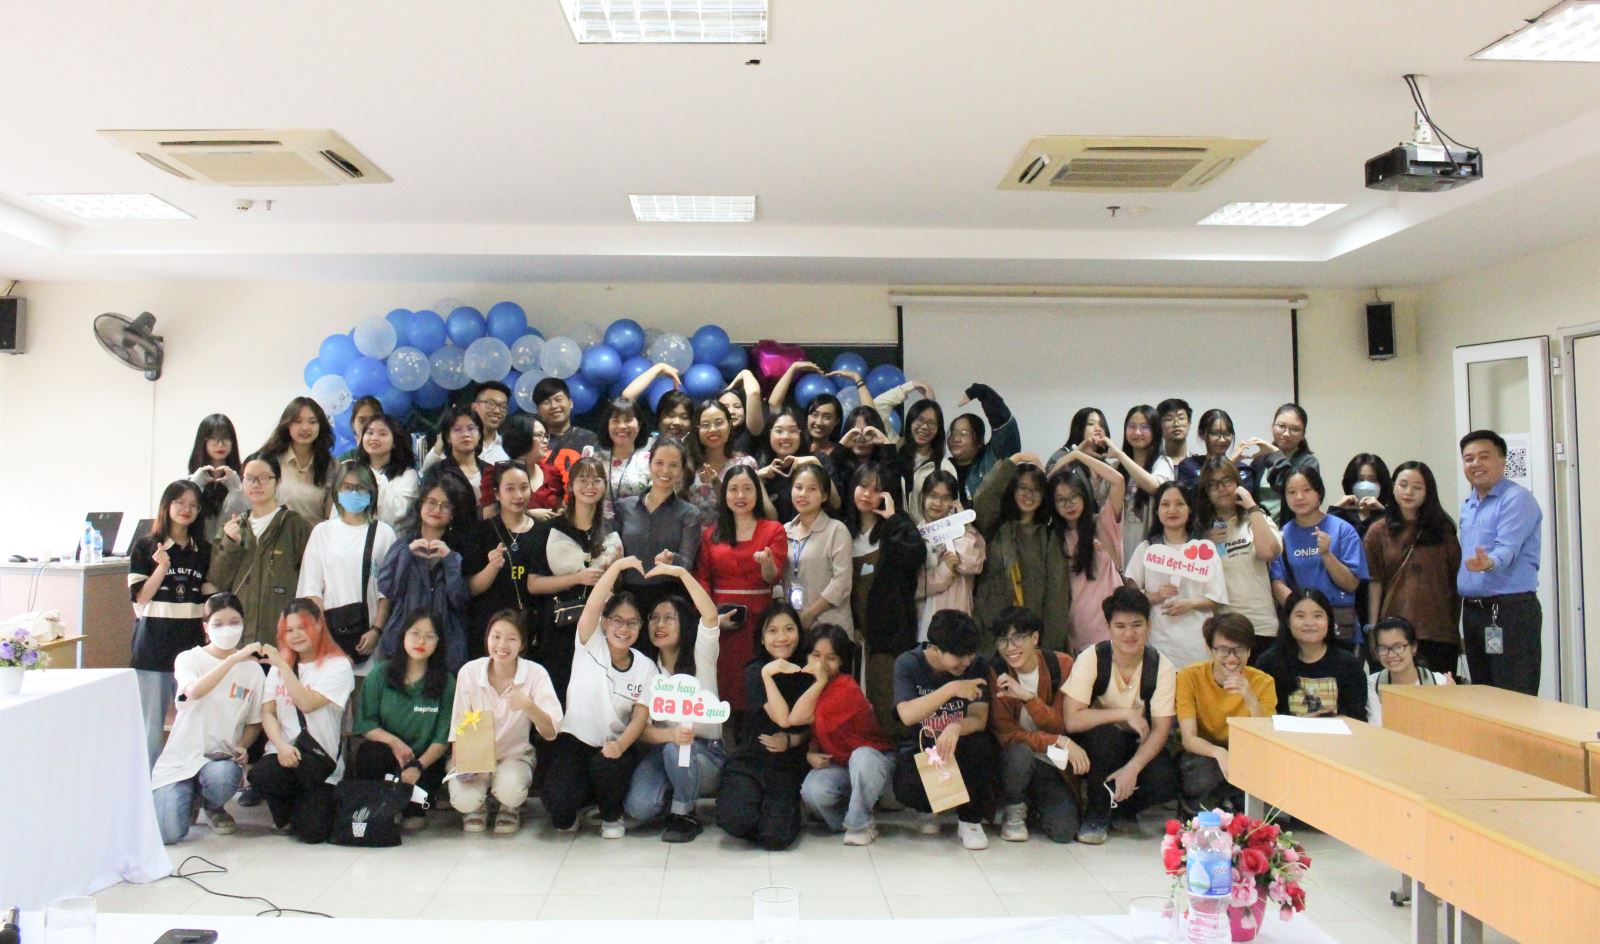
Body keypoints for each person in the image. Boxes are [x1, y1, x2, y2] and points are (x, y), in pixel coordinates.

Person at [546, 557, 656, 838]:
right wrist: (616, 567)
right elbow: (594, 604)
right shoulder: (589, 642)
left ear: (640, 627)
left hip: (614, 745)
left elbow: (640, 717)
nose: (624, 628)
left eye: (632, 623)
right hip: (575, 740)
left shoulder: (646, 667)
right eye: (617, 620)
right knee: (560, 810)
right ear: (605, 623)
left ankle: (611, 814)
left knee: (608, 766)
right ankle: (581, 804)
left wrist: (620, 745)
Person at [1062, 587, 1180, 844]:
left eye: (1137, 625)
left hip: (1138, 741)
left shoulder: (1162, 667)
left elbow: (1161, 729)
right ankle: (1096, 812)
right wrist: (1124, 714)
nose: (1129, 634)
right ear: (1108, 627)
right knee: (1107, 738)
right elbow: (1072, 720)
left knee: (1166, 778)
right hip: (1096, 742)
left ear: (1149, 625)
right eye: (1120, 626)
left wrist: (1133, 768)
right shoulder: (1091, 658)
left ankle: (1123, 809)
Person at [150, 592, 264, 844]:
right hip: (181, 759)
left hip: (219, 758)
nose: (227, 629)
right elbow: (194, 691)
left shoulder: (253, 671)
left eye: (234, 622)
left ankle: (211, 804)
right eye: (218, 624)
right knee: (168, 834)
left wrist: (243, 745)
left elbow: (254, 722)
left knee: (221, 779)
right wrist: (232, 659)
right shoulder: (189, 659)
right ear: (205, 628)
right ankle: (188, 796)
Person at [625, 564, 724, 842]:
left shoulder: (701, 653)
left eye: (669, 618)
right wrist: (670, 735)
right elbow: (641, 728)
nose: (660, 625)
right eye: (654, 618)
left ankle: (684, 814)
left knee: (677, 750)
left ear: (685, 623)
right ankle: (673, 793)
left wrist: (681, 573)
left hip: (706, 752)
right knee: (638, 807)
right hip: (665, 749)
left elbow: (710, 615)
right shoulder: (646, 668)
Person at [891, 609, 1000, 850]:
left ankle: (970, 820)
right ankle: (931, 806)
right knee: (906, 786)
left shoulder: (977, 666)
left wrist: (956, 726)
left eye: (970, 654)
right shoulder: (908, 663)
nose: (966, 662)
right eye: (959, 656)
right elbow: (907, 715)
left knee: (981, 746)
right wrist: (951, 689)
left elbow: (979, 718)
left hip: (960, 745)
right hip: (922, 746)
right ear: (935, 648)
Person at [448, 609, 562, 833]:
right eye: (496, 636)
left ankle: (510, 806)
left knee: (511, 790)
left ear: (522, 644)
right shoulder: (469, 672)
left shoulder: (535, 674)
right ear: (487, 639)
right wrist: (461, 764)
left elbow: (551, 732)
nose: (502, 645)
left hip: (514, 755)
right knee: (464, 800)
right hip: (475, 757)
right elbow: (457, 724)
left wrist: (528, 705)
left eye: (511, 639)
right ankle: (479, 805)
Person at [251, 599, 355, 843]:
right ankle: (284, 816)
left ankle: (304, 807)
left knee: (313, 833)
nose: (296, 635)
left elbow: (306, 703)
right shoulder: (278, 666)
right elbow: (268, 712)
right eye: (289, 630)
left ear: (319, 625)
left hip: (318, 761)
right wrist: (281, 746)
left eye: (303, 627)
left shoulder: (337, 666)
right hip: (284, 754)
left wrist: (283, 667)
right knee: (262, 775)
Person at [716, 604, 814, 850]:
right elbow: (781, 718)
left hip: (788, 764)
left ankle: (781, 812)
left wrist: (791, 741)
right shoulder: (755, 670)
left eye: (789, 629)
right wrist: (768, 674)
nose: (782, 637)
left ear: (799, 632)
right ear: (761, 638)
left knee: (775, 838)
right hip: (751, 759)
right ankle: (761, 809)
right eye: (772, 631)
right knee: (734, 821)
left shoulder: (809, 671)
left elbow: (806, 725)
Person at [986, 606, 1087, 845]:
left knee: (1064, 832)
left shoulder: (1061, 665)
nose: (1010, 648)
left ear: (1035, 638)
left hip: (1051, 760)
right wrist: (1058, 742)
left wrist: (1029, 699)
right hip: (1014, 760)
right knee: (1019, 752)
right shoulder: (996, 673)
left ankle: (1036, 803)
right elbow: (1008, 735)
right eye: (1003, 641)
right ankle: (1014, 807)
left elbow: (1060, 724)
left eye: (1018, 638)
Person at [693, 465, 787, 721]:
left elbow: (774, 576)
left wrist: (767, 563)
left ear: (757, 493)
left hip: (760, 621)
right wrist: (711, 619)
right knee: (722, 686)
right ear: (724, 494)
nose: (740, 495)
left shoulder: (773, 530)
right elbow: (703, 578)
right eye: (733, 489)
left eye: (747, 488)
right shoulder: (711, 534)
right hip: (721, 621)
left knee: (756, 688)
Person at [527, 455, 623, 701]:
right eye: (583, 479)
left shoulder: (612, 528)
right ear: (570, 486)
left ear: (604, 486)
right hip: (560, 625)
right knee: (558, 692)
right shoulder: (550, 529)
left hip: (600, 626)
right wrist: (578, 578)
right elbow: (534, 584)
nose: (590, 486)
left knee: (596, 694)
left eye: (597, 480)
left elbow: (618, 581)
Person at [131, 480, 213, 766]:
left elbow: (208, 597)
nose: (186, 509)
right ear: (167, 505)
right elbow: (141, 597)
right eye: (180, 502)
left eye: (194, 505)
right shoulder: (145, 547)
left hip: (191, 647)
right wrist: (162, 567)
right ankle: (146, 784)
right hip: (152, 647)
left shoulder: (203, 550)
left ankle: (183, 780)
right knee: (150, 727)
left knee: (191, 722)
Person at [353, 610, 457, 829]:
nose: (421, 641)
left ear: (439, 642)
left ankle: (411, 805)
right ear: (403, 636)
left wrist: (417, 766)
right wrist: (394, 743)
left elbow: (442, 740)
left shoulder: (446, 683)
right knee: (370, 754)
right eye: (415, 633)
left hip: (425, 762)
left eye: (430, 636)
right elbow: (367, 725)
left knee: (413, 823)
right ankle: (378, 806)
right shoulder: (379, 675)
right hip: (387, 757)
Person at [1457, 429, 1543, 695]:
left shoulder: (1517, 499)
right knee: (1483, 694)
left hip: (1509, 611)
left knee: (1513, 694)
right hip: (1474, 611)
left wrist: (1489, 563)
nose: (1475, 464)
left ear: (1503, 461)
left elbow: (1508, 548)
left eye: (1484, 456)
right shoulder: (1469, 504)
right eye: (1469, 458)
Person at [845, 462, 925, 735]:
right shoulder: (844, 532)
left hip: (890, 635)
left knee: (889, 703)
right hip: (855, 632)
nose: (868, 494)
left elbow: (914, 556)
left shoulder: (896, 527)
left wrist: (893, 519)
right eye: (863, 486)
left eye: (877, 489)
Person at [798, 624, 895, 845]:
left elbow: (799, 718)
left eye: (831, 658)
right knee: (813, 791)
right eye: (816, 656)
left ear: (841, 661)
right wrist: (810, 753)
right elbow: (815, 732)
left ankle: (859, 824)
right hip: (840, 765)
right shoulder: (812, 685)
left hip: (875, 762)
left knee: (861, 757)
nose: (822, 664)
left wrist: (820, 680)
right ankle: (853, 817)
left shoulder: (846, 688)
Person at [1365, 461, 1462, 675]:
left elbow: (1456, 584)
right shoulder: (1378, 531)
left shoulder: (1443, 531)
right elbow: (1375, 583)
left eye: (1417, 487)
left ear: (1428, 492)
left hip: (1438, 633)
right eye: (1403, 485)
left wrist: (1456, 629)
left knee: (1436, 692)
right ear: (1393, 487)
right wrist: (1372, 629)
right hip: (1393, 633)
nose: (1409, 492)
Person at [297, 461, 396, 669]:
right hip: (328, 638)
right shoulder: (322, 532)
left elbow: (387, 592)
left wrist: (376, 630)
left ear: (371, 492)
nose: (354, 493)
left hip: (370, 639)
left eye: (360, 488)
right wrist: (326, 639)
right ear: (337, 490)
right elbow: (311, 590)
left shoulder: (384, 533)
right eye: (347, 487)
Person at [208, 451, 313, 649]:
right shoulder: (233, 527)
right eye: (249, 478)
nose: (256, 484)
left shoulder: (295, 526)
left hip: (284, 640)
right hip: (239, 641)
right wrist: (230, 544)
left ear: (277, 482)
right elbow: (218, 579)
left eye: (264, 478)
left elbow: (312, 582)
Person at [1174, 613, 1275, 814]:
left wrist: (1250, 699)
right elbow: (1188, 738)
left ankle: (1233, 805)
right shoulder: (1189, 676)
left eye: (1239, 650)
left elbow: (1266, 737)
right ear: (1209, 649)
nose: (1232, 658)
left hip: (1244, 750)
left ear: (1249, 651)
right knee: (1205, 774)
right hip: (1202, 750)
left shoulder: (1263, 682)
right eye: (1223, 650)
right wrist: (1219, 752)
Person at [377, 469, 474, 673]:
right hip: (403, 638)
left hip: (445, 642)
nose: (437, 509)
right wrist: (406, 554)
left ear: (452, 514)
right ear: (420, 505)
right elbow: (388, 588)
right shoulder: (403, 545)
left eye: (445, 506)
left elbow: (460, 600)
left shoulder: (458, 552)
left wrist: (449, 560)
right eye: (431, 502)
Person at [971, 454, 1070, 652]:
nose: (1029, 495)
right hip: (990, 638)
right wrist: (1015, 459)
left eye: (1036, 490)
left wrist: (1048, 650)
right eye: (1023, 488)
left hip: (1031, 640)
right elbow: (983, 498)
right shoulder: (994, 527)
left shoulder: (1049, 537)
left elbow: (1056, 598)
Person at [1124, 482, 1227, 670]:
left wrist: (1190, 603)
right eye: (1165, 504)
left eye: (1179, 504)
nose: (1172, 510)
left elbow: (1217, 598)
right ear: (1157, 511)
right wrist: (1155, 596)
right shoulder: (1146, 548)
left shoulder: (1205, 549)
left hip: (1196, 644)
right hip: (1157, 644)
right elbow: (1130, 597)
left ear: (1190, 509)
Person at [1269, 466, 1368, 647]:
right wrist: (1305, 613)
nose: (1299, 497)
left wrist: (1326, 554)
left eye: (1306, 490)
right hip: (1300, 630)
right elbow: (1277, 584)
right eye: (1291, 492)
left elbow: (1351, 583)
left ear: (1319, 492)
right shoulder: (1281, 536)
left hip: (1339, 627)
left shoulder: (1342, 530)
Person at [1194, 456, 1282, 649]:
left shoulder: (1256, 517)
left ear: (1237, 483)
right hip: (1224, 628)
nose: (1221, 489)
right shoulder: (1201, 531)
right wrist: (1207, 541)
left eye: (1227, 481)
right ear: (1206, 492)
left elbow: (1268, 552)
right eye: (1213, 485)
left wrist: (1252, 507)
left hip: (1261, 625)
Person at [462, 461, 542, 659]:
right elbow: (471, 588)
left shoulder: (543, 531)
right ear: (497, 494)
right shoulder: (481, 532)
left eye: (524, 487)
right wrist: (492, 568)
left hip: (531, 629)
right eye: (510, 489)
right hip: (490, 628)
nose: (518, 495)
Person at [613, 436, 702, 614]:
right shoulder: (623, 507)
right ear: (650, 464)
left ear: (682, 471)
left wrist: (672, 559)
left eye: (673, 465)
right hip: (626, 598)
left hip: (670, 599)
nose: (665, 470)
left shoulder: (690, 513)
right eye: (659, 463)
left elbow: (687, 564)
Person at [1049, 449, 1125, 651]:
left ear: (1084, 495)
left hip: (1115, 627)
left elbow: (1118, 481)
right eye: (1061, 500)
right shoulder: (1054, 538)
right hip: (1079, 631)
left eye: (1074, 496)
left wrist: (1078, 456)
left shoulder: (1103, 524)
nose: (1069, 504)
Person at [1257, 588, 1368, 719]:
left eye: (1317, 616)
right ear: (1287, 622)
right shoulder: (1269, 663)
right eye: (1300, 616)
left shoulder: (1349, 665)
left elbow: (1358, 717)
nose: (1309, 623)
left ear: (1329, 621)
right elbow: (1264, 717)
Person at [782, 463, 855, 633]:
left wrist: (810, 614)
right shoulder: (784, 530)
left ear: (824, 496)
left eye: (812, 489)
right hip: (794, 625)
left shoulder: (836, 530)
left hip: (831, 625)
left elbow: (842, 583)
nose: (803, 494)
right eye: (798, 487)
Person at [914, 471, 986, 640]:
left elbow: (971, 565)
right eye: (933, 496)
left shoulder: (970, 533)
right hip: (923, 623)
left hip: (957, 621)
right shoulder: (914, 536)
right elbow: (913, 587)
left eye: (946, 498)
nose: (938, 503)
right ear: (923, 497)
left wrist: (961, 526)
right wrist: (944, 571)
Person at [1111, 405, 1176, 566]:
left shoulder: (1163, 463)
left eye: (1144, 427)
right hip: (1119, 554)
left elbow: (1155, 487)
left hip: (1153, 553)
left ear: (1155, 431)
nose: (1137, 432)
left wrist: (1120, 455)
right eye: (1132, 427)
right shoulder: (1116, 468)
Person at [258, 397, 336, 523]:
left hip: (316, 534)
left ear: (320, 426)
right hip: (277, 533)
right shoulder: (270, 460)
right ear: (287, 424)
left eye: (312, 422)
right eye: (298, 421)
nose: (305, 428)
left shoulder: (331, 465)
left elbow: (332, 517)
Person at [1366, 616, 1454, 726]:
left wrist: (1453, 704)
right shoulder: (1372, 684)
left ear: (1413, 647)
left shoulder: (1439, 682)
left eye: (1398, 647)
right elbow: (1376, 726)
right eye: (1383, 648)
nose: (1391, 654)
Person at [947, 383, 1020, 502]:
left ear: (980, 440)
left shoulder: (992, 458)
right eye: (953, 433)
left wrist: (984, 393)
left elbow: (1005, 427)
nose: (956, 439)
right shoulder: (944, 468)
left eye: (964, 433)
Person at [757, 407, 832, 522]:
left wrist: (815, 463)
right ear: (769, 434)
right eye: (779, 431)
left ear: (801, 434)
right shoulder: (762, 468)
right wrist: (758, 480)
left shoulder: (819, 459)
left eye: (792, 430)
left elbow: (836, 503)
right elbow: (773, 520)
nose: (785, 437)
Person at [1247, 403, 1319, 522]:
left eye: (1295, 429)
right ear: (1272, 427)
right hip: (1260, 527)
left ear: (1303, 435)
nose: (1286, 433)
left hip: (1294, 527)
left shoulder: (1308, 462)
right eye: (1281, 426)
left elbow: (1289, 487)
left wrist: (1275, 453)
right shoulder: (1260, 460)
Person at [687, 399, 757, 521]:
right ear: (696, 430)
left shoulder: (745, 464)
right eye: (705, 425)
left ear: (729, 427)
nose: (713, 429)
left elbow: (761, 513)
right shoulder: (688, 467)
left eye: (719, 423)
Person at [187, 414, 247, 545]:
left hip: (231, 549)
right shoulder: (188, 479)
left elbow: (244, 520)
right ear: (203, 441)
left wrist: (236, 490)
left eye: (226, 438)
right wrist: (195, 486)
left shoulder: (244, 477)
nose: (220, 444)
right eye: (214, 438)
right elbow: (182, 518)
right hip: (196, 551)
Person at [896, 399, 957, 525]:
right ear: (910, 421)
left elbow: (951, 511)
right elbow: (878, 408)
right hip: (897, 533)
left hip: (929, 535)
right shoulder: (895, 459)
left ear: (938, 429)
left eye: (931, 423)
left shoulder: (944, 467)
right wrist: (907, 388)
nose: (924, 427)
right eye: (920, 420)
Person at [495, 413, 564, 519]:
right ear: (521, 437)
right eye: (539, 435)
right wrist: (527, 514)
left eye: (546, 436)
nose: (546, 441)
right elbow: (491, 515)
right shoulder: (498, 475)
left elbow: (561, 506)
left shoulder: (552, 473)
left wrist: (561, 512)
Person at [358, 412, 420, 528]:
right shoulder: (354, 471)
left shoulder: (408, 474)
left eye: (382, 434)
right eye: (370, 433)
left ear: (394, 442)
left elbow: (393, 515)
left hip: (393, 537)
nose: (374, 438)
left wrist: (372, 476)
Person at [1176, 409, 1258, 493]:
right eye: (1215, 433)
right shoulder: (1189, 466)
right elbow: (1196, 495)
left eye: (1227, 433)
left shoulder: (1243, 469)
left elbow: (1243, 498)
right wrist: (1230, 463)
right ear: (1201, 434)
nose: (1222, 440)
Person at [598, 397, 655, 518]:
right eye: (615, 421)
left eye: (628, 420)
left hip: (639, 526)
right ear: (607, 426)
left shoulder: (651, 462)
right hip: (600, 526)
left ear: (639, 425)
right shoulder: (595, 460)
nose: (622, 426)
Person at [428, 405, 491, 509]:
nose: (465, 434)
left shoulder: (491, 471)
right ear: (448, 437)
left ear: (479, 435)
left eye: (471, 428)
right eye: (458, 429)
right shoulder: (437, 472)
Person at [534, 377, 599, 477]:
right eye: (546, 403)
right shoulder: (532, 443)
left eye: (558, 399)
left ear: (570, 403)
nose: (554, 406)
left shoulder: (590, 439)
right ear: (538, 411)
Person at [1331, 453, 1392, 538]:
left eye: (1373, 480)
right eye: (1360, 479)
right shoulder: (1342, 515)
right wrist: (1336, 508)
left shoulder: (1388, 515)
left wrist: (1382, 512)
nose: (1366, 485)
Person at [469, 381, 513, 463]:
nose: (497, 411)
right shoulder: (459, 442)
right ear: (474, 407)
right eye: (491, 404)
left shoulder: (509, 449)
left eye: (503, 407)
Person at [1155, 398, 1193, 473]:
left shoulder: (1198, 463)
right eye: (1169, 419)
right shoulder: (1153, 462)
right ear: (1159, 426)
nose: (1176, 424)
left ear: (1189, 424)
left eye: (1181, 418)